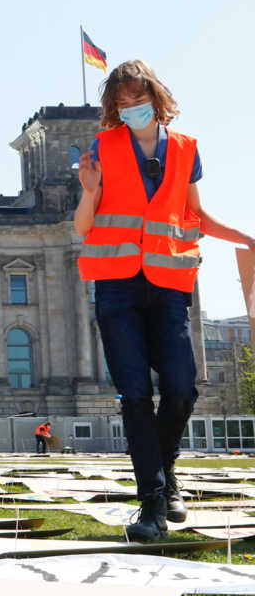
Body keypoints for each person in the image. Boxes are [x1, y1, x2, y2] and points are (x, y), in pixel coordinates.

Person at [75, 60, 255, 542]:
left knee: (181, 388)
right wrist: (90, 192)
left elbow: (194, 214)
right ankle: (152, 505)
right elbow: (82, 226)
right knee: (135, 395)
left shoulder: (186, 149)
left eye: (139, 99)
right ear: (115, 108)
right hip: (116, 285)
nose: (132, 108)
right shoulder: (102, 148)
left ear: (156, 96)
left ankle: (166, 468)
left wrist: (245, 236)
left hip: (170, 284)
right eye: (123, 103)